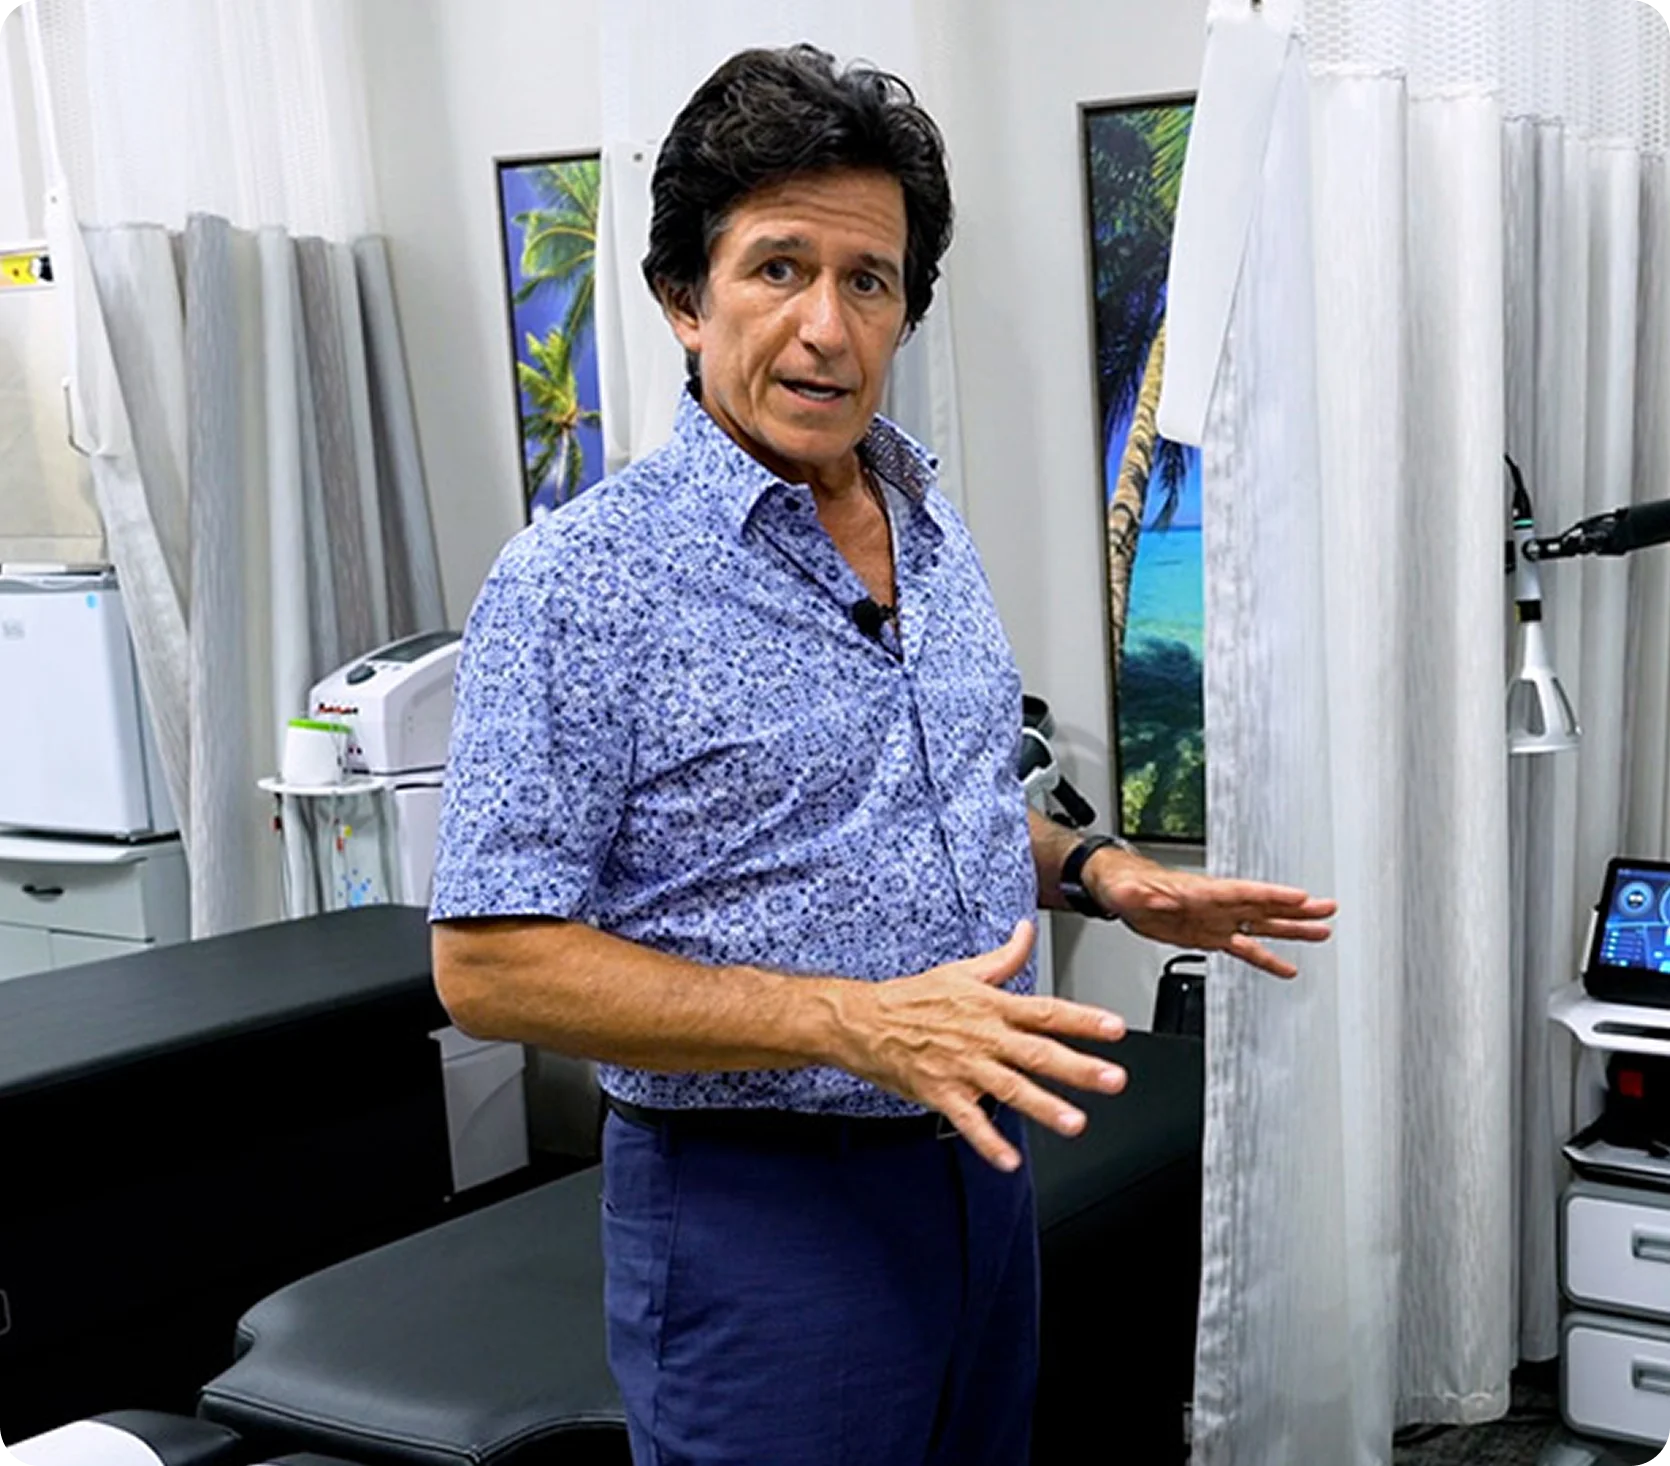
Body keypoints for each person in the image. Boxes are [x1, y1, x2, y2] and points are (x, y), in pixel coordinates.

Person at [430, 43, 1335, 1466]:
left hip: (973, 1170)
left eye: (868, 281)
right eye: (778, 269)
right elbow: (489, 964)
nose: (826, 328)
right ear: (683, 298)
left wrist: (1103, 874)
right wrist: (852, 1023)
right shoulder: (580, 582)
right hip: (758, 1210)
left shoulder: (926, 520)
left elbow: (926, 804)